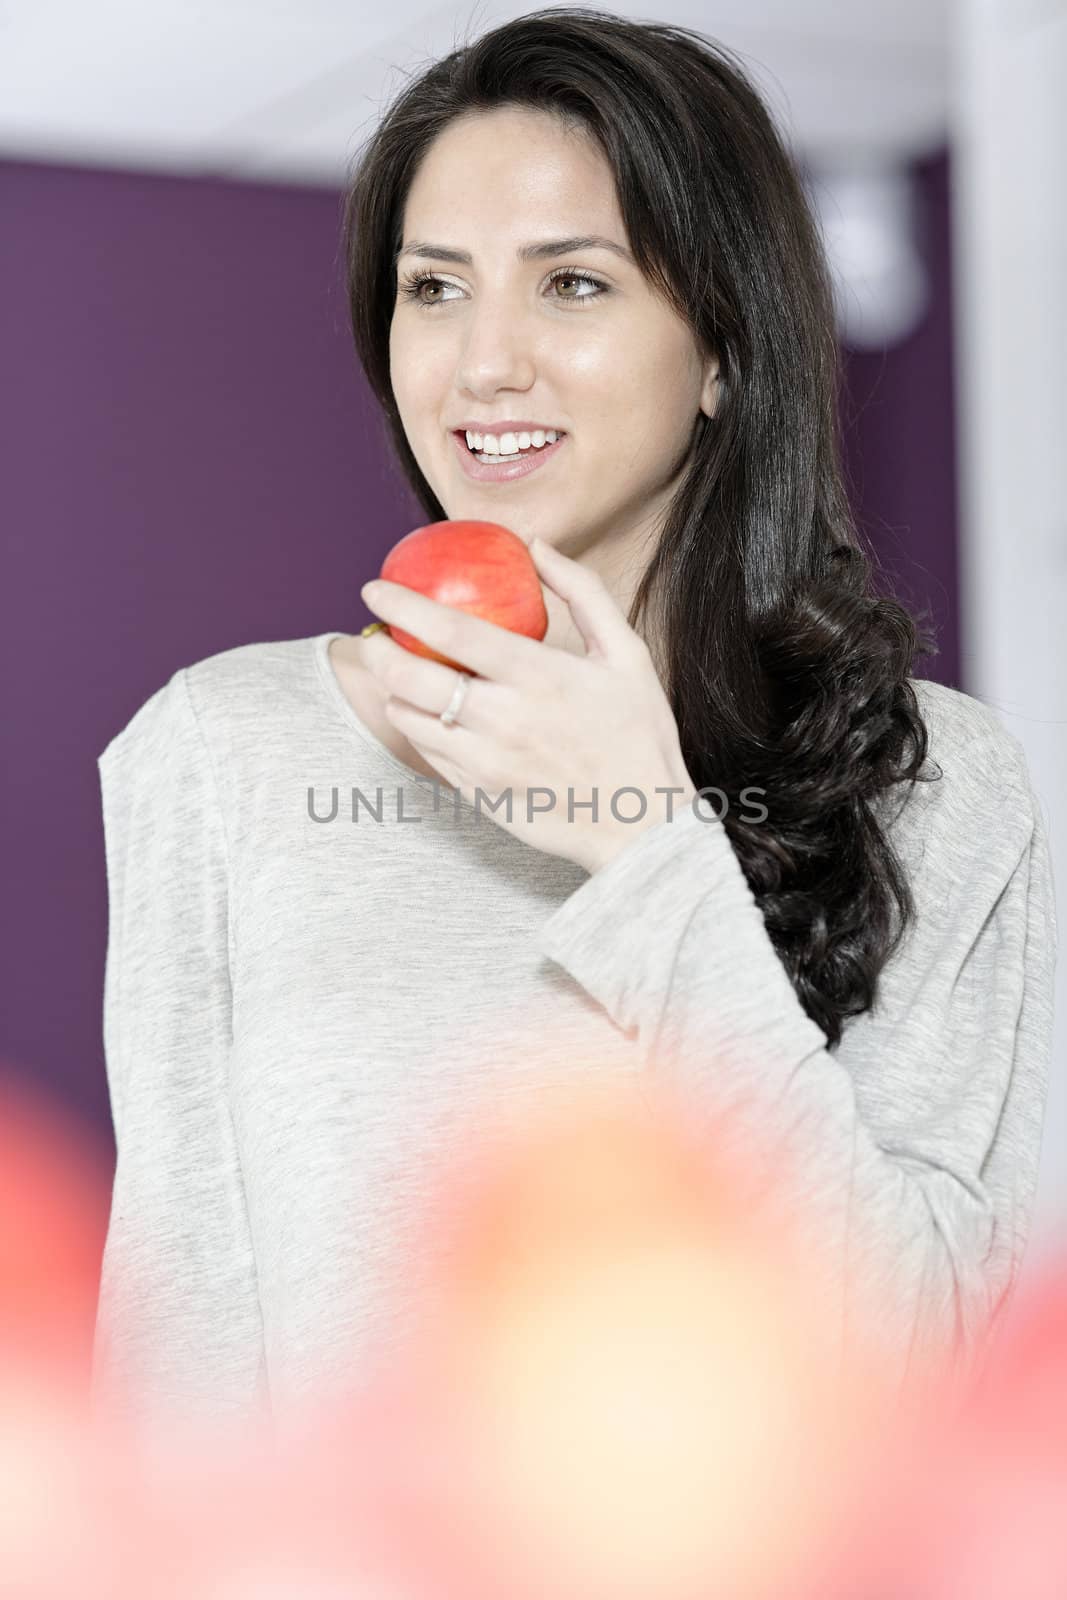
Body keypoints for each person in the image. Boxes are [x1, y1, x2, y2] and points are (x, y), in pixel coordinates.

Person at [92, 7, 1057, 1461]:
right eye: (435, 287)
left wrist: (648, 845)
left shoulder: (935, 780)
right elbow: (182, 1345)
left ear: (722, 346)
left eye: (573, 285)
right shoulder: (221, 751)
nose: (483, 364)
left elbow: (932, 1367)